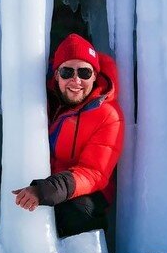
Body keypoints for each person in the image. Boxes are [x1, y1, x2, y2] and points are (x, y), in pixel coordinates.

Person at [12, 33, 124, 238]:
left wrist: (47, 190)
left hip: (82, 190)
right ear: (56, 75)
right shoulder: (38, 97)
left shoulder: (109, 115)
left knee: (77, 214)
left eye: (84, 72)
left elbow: (94, 173)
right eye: (66, 72)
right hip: (40, 184)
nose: (76, 80)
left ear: (95, 75)